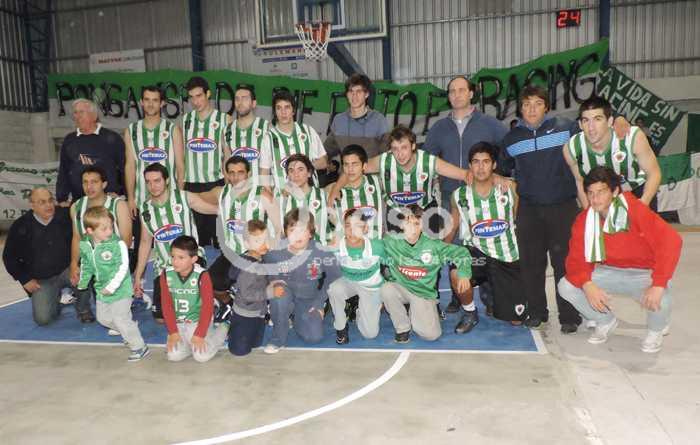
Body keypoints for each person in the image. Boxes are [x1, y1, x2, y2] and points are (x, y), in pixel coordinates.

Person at [499, 85, 630, 333]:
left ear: (546, 107)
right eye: (526, 104)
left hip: (563, 207)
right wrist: (503, 179)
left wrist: (621, 119)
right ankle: (537, 312)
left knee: (565, 263)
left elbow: (594, 128)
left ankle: (569, 316)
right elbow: (503, 169)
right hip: (529, 210)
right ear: (520, 109)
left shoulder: (565, 128)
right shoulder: (511, 139)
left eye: (538, 103)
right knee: (531, 265)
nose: (532, 109)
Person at [558, 167, 682, 353]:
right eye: (590, 193)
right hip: (609, 272)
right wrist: (587, 284)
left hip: (643, 274)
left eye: (601, 192)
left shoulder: (636, 210)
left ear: (615, 191)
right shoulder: (584, 220)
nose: (595, 199)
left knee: (661, 295)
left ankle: (656, 330)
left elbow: (671, 242)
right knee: (566, 286)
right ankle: (605, 320)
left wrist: (658, 284)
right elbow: (576, 258)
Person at [331, 125, 469, 235]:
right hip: (396, 210)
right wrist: (335, 189)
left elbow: (464, 174)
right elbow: (352, 170)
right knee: (397, 254)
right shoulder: (384, 161)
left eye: (404, 147)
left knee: (429, 252)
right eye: (395, 149)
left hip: (424, 208)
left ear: (413, 146)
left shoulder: (428, 161)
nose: (400, 154)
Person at [445, 142, 526, 327]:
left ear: (494, 165)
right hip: (477, 254)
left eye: (486, 162)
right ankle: (470, 312)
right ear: (470, 165)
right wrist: (439, 250)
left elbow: (519, 221)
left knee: (516, 320)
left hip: (506, 256)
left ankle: (495, 294)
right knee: (457, 272)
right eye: (476, 162)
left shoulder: (510, 189)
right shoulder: (459, 195)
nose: (480, 167)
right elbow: (453, 225)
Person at [133, 163, 218, 322]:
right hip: (165, 265)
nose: (153, 186)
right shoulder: (145, 209)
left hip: (191, 259)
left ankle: (206, 300)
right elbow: (145, 242)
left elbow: (213, 209)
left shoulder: (183, 197)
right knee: (161, 319)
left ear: (166, 180)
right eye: (148, 182)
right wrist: (138, 275)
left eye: (157, 180)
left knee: (190, 311)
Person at [381, 204, 472, 342]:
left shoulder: (433, 245)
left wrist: (464, 274)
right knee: (386, 289)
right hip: (401, 287)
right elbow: (371, 249)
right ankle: (402, 328)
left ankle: (417, 310)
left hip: (422, 293)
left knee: (431, 335)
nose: (412, 228)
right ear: (401, 225)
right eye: (408, 223)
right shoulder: (390, 241)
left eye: (417, 224)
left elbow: (461, 253)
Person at [3, 187, 92, 326]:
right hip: (41, 279)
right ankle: (55, 301)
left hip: (67, 269)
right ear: (32, 205)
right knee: (43, 319)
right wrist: (24, 279)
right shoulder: (20, 225)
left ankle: (83, 309)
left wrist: (78, 265)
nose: (49, 205)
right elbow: (9, 257)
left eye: (50, 200)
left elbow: (81, 239)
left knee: (84, 275)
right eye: (42, 202)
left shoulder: (65, 216)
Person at [209, 155, 279, 320]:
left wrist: (269, 254)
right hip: (232, 252)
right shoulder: (222, 192)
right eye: (231, 173)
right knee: (210, 281)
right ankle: (230, 304)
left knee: (257, 283)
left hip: (257, 254)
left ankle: (266, 305)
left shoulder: (262, 194)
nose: (236, 177)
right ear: (227, 174)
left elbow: (278, 228)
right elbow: (194, 199)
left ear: (248, 173)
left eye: (240, 172)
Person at [423, 76, 507, 211]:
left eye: (462, 90)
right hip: (449, 197)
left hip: (483, 195)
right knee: (450, 226)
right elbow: (425, 159)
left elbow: (509, 150)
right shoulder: (438, 127)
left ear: (471, 94)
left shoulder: (490, 123)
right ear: (449, 97)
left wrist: (499, 174)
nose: (457, 95)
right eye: (452, 91)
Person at [262, 208, 339, 354]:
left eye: (302, 230)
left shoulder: (321, 252)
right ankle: (278, 338)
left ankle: (295, 318)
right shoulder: (274, 252)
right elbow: (264, 269)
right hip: (285, 295)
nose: (297, 235)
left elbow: (335, 276)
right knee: (279, 295)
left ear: (310, 232)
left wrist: (319, 302)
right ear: (285, 232)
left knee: (314, 337)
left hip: (308, 299)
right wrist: (273, 282)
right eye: (292, 230)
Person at [77, 207, 149, 361]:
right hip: (101, 289)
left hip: (121, 289)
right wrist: (83, 281)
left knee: (120, 318)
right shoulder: (85, 244)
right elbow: (86, 264)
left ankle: (139, 346)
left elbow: (123, 267)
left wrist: (112, 287)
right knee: (103, 319)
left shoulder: (118, 244)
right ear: (90, 231)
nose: (109, 231)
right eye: (104, 229)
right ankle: (128, 329)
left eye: (111, 226)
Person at [564, 96, 661, 208]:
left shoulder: (632, 137)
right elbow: (580, 182)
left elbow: (654, 173)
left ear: (610, 121)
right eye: (586, 120)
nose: (591, 127)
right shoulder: (571, 148)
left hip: (637, 189)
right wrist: (589, 212)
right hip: (603, 195)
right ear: (580, 124)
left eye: (597, 119)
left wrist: (642, 206)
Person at [124, 85, 185, 258]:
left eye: (155, 100)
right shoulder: (131, 130)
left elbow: (180, 165)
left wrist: (180, 196)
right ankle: (142, 274)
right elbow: (130, 166)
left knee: (175, 247)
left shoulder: (172, 129)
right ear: (141, 102)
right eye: (147, 100)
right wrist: (130, 198)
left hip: (170, 200)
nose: (151, 104)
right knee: (143, 246)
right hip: (141, 200)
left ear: (162, 103)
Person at [180, 76, 231, 246]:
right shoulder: (185, 120)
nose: (195, 101)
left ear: (208, 94)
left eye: (199, 96)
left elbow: (228, 155)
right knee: (196, 240)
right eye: (191, 97)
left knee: (219, 240)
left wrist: (228, 184)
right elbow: (180, 156)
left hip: (215, 184)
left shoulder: (224, 119)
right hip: (192, 185)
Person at [160, 235, 228, 362]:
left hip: (197, 320)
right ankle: (188, 345)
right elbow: (166, 305)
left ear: (193, 259)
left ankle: (224, 328)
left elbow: (207, 307)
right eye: (173, 256)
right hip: (178, 322)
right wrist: (173, 332)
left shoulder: (202, 275)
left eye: (181, 257)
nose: (175, 261)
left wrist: (199, 334)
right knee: (173, 356)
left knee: (201, 357)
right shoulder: (166, 274)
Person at [69, 166, 132, 298]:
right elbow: (77, 238)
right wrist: (74, 264)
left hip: (115, 262)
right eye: (85, 182)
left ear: (104, 184)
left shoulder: (119, 205)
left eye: (94, 182)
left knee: (117, 304)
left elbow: (126, 239)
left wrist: (110, 266)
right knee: (101, 304)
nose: (89, 186)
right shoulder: (76, 207)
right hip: (91, 263)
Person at [328, 209, 385, 344]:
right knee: (333, 288)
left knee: (370, 334)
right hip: (348, 281)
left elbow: (393, 267)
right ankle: (341, 326)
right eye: (348, 225)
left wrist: (385, 294)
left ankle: (360, 310)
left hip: (370, 286)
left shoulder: (377, 247)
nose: (352, 230)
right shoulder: (335, 246)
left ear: (365, 229)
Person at [56, 98, 125, 206]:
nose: (78, 116)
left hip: (108, 202)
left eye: (81, 112)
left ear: (94, 116)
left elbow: (124, 167)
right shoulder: (69, 140)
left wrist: (123, 195)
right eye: (75, 113)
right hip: (80, 202)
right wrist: (61, 198)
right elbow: (64, 171)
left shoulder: (112, 138)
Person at [260, 90, 328, 192]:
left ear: (293, 111)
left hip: (310, 195)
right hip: (283, 196)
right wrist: (269, 197)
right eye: (279, 108)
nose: (283, 112)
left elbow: (324, 162)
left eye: (287, 107)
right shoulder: (268, 138)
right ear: (275, 112)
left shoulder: (308, 131)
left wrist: (304, 167)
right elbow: (264, 173)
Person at [225, 220, 271, 356]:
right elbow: (247, 294)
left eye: (266, 239)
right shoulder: (249, 268)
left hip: (258, 311)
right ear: (247, 244)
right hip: (245, 313)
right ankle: (224, 327)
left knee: (256, 343)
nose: (263, 244)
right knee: (239, 351)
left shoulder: (260, 258)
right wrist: (269, 293)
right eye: (257, 241)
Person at [325, 73, 389, 159]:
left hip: (371, 168)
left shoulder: (379, 120)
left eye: (359, 91)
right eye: (351, 91)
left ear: (366, 94)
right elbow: (326, 151)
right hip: (345, 168)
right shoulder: (339, 120)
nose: (354, 96)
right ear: (347, 94)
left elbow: (386, 156)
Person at [331, 145, 384, 239]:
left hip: (375, 245)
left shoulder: (377, 182)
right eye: (346, 164)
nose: (350, 169)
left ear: (364, 166)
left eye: (355, 164)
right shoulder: (334, 192)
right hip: (347, 246)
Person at [281, 153, 333, 245]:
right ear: (288, 175)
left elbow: (337, 226)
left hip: (321, 250)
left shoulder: (324, 195)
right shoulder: (282, 199)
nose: (296, 175)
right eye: (291, 170)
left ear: (309, 173)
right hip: (292, 251)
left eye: (300, 169)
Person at [225, 84, 270, 188]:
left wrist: (266, 189)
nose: (240, 102)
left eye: (244, 98)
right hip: (237, 190)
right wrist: (228, 188)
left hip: (260, 190)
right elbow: (226, 161)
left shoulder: (267, 127)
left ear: (254, 103)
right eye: (237, 99)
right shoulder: (227, 130)